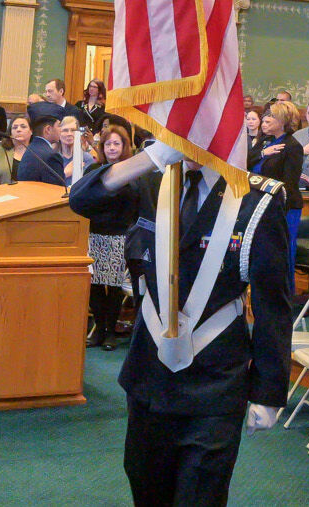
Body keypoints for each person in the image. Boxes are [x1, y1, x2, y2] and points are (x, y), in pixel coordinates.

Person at [68, 142, 291, 507]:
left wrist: (268, 391)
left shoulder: (256, 200)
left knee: (199, 497)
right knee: (147, 491)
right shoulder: (151, 183)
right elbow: (81, 200)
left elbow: (273, 305)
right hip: (149, 379)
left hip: (214, 384)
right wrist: (150, 158)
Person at [82, 124, 141, 350]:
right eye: (108, 144)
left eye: (117, 143)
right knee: (95, 285)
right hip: (95, 233)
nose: (112, 147)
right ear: (102, 147)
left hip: (119, 235)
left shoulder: (131, 171)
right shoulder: (94, 171)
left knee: (114, 286)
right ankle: (98, 329)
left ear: (124, 146)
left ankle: (109, 333)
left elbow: (136, 201)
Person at [250, 102, 305, 276]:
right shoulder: (265, 141)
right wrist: (263, 154)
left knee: (282, 252)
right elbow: (245, 161)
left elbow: (289, 183)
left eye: (271, 117)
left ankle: (284, 294)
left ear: (282, 121)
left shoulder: (292, 146)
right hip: (259, 204)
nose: (266, 120)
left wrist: (278, 207)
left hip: (283, 207)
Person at [19, 115, 67, 186]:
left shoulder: (31, 148)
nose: (61, 129)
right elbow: (58, 191)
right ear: (48, 129)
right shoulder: (52, 156)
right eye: (59, 126)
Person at [3, 115, 35, 181]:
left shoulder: (37, 153)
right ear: (10, 133)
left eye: (23, 127)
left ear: (31, 131)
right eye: (14, 128)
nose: (18, 130)